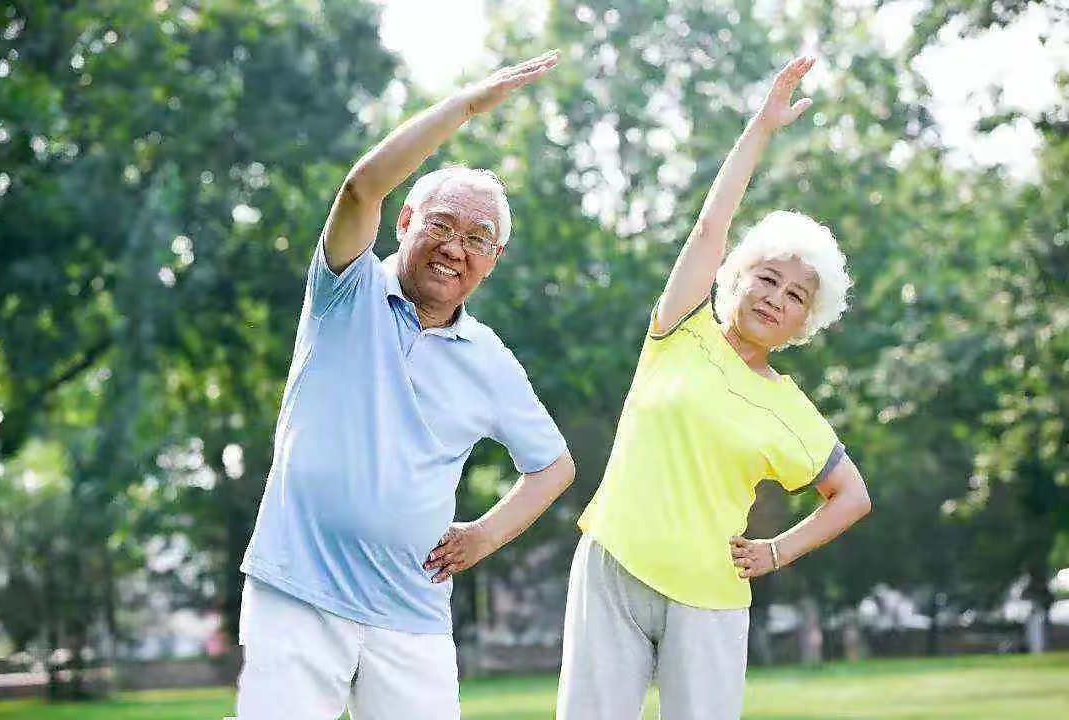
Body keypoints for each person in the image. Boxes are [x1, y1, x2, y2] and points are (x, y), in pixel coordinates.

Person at [234, 50, 575, 720]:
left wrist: (483, 535)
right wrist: (466, 108)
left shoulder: (490, 359)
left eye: (477, 238)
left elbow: (554, 467)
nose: (455, 246)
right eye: (441, 224)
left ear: (493, 261)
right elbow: (361, 187)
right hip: (296, 592)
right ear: (406, 224)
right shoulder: (345, 289)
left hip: (411, 612)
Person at [556, 56, 873, 720]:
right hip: (613, 561)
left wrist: (777, 550)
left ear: (803, 322)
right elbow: (710, 224)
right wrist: (761, 126)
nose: (775, 298)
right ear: (739, 276)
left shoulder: (791, 410)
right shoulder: (679, 328)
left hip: (709, 596)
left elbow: (852, 497)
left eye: (795, 297)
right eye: (768, 278)